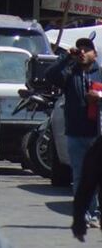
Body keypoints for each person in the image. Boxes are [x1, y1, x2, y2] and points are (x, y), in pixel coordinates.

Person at [46, 37, 102, 226]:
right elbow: (51, 76)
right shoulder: (70, 74)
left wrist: (99, 96)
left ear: (95, 54)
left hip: (97, 134)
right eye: (80, 49)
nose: (83, 52)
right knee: (79, 174)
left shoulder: (100, 74)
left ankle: (94, 212)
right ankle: (85, 214)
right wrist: (66, 57)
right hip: (76, 133)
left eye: (87, 49)